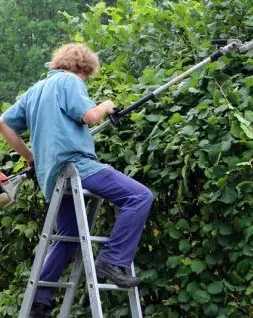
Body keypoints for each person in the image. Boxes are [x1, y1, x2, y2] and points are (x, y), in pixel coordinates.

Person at [0, 43, 153, 317]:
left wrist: (31, 157)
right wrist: (106, 105)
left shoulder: (34, 91)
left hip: (52, 176)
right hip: (77, 166)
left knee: (68, 236)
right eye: (87, 75)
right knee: (139, 196)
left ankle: (39, 301)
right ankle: (113, 261)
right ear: (81, 68)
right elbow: (90, 116)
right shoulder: (70, 81)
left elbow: (3, 123)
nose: (85, 80)